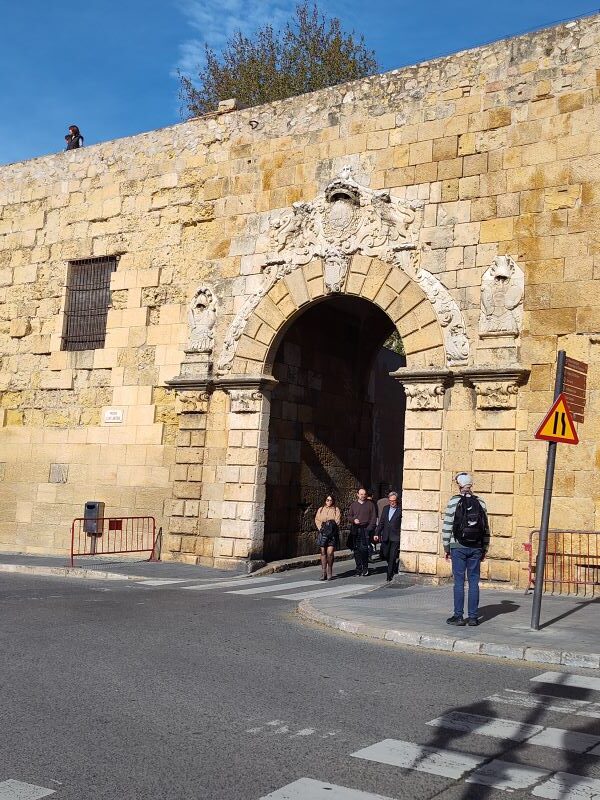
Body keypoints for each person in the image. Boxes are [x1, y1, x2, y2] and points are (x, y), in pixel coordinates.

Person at [442, 472, 490, 627]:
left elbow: (448, 525)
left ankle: (458, 616)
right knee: (474, 582)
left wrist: (446, 547)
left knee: (459, 582)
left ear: (459, 485)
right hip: (476, 547)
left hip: (458, 547)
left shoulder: (454, 501)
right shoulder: (480, 502)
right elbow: (486, 528)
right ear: (471, 485)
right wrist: (484, 547)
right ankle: (474, 617)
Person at [347, 487, 376, 577]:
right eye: (361, 494)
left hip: (365, 529)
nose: (363, 496)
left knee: (364, 549)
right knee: (356, 550)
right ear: (357, 495)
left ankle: (365, 568)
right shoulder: (353, 505)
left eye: (364, 494)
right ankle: (358, 569)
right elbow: (349, 516)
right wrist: (353, 520)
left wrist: (369, 528)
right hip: (355, 529)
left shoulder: (370, 504)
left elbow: (373, 517)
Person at [375, 491, 402, 583]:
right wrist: (376, 533)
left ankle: (389, 576)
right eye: (390, 501)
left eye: (393, 501)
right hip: (386, 536)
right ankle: (393, 566)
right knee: (385, 554)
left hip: (395, 537)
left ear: (396, 500)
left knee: (392, 556)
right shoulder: (386, 509)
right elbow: (381, 522)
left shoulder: (400, 510)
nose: (392, 502)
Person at [314, 494, 341, 581]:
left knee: (330, 552)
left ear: (333, 501)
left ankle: (329, 570)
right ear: (325, 501)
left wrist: (330, 529)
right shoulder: (321, 509)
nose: (329, 502)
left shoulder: (336, 510)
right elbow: (317, 519)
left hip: (332, 534)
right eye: (327, 500)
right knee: (323, 552)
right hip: (323, 533)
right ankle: (323, 572)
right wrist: (321, 528)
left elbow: (337, 521)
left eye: (330, 500)